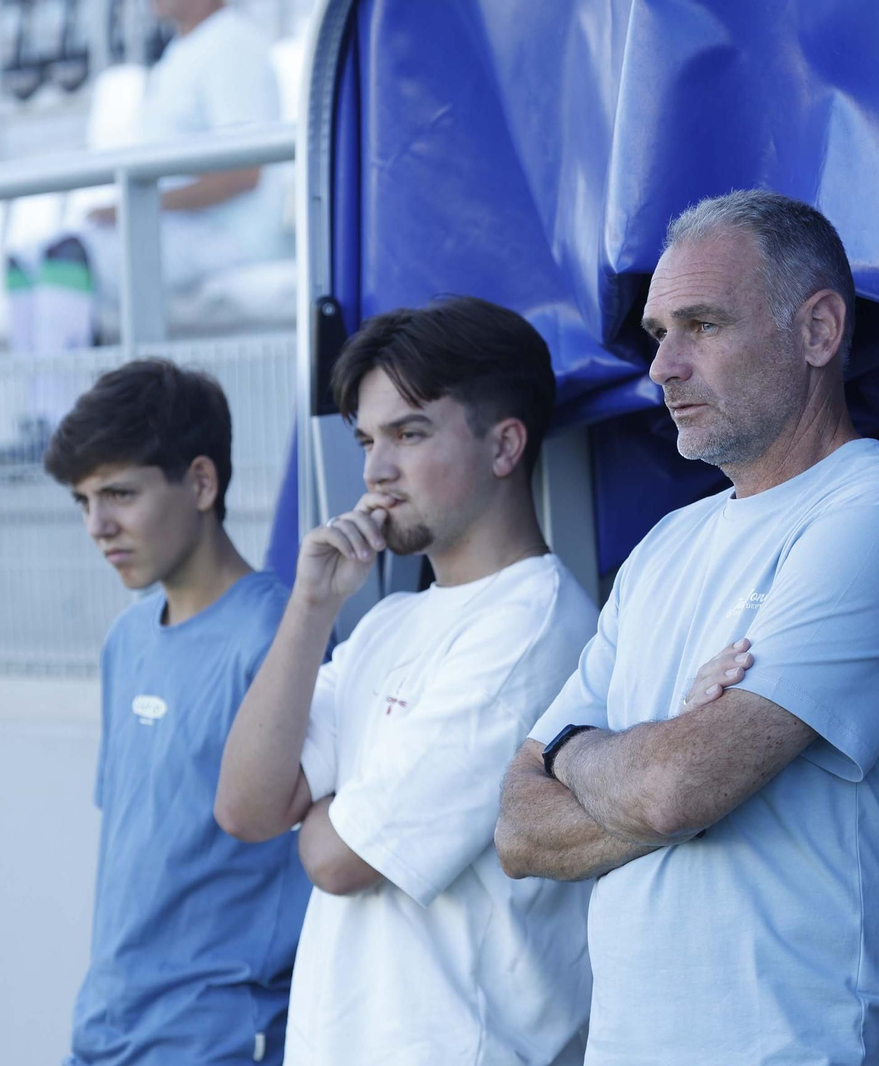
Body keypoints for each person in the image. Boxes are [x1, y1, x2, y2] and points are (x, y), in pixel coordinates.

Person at [495, 190, 879, 1065]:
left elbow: (675, 789)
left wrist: (574, 750)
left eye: (702, 326)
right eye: (658, 333)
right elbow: (518, 832)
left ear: (818, 331)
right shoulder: (667, 545)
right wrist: (657, 756)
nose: (663, 368)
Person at [213, 296, 598, 1065]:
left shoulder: (534, 626)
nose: (374, 471)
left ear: (504, 446)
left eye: (409, 434)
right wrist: (312, 605)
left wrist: (320, 811)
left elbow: (336, 860)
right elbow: (248, 809)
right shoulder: (387, 620)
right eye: (365, 440)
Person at [43, 359, 310, 1065]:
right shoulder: (127, 637)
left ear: (200, 482)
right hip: (104, 1031)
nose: (98, 525)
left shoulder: (279, 640)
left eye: (120, 493)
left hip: (217, 1040)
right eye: (83, 501)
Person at [0, 0, 288, 477]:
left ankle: (62, 424)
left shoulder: (233, 45)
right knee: (27, 258)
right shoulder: (182, 51)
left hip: (226, 237)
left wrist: (134, 210)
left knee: (69, 255)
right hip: (174, 228)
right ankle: (43, 419)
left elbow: (242, 173)